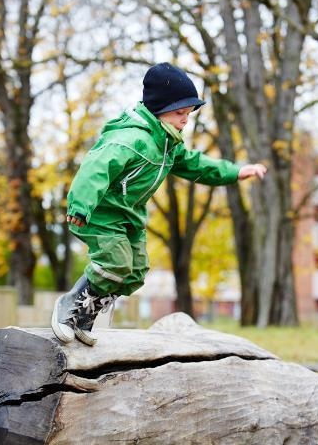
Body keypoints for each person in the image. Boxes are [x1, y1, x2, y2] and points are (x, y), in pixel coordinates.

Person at [51, 62, 267, 346]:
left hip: (130, 217)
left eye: (188, 115)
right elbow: (94, 168)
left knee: (136, 271)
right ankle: (69, 307)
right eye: (179, 113)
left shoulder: (168, 144)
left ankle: (85, 316)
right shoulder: (131, 139)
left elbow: (196, 165)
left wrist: (235, 171)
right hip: (100, 213)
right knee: (115, 263)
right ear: (158, 109)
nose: (185, 121)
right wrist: (80, 205)